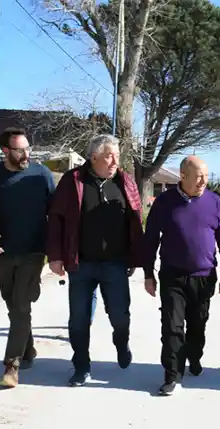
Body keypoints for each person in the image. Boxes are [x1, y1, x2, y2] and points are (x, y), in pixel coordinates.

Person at [46, 134, 143, 387]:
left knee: (120, 316)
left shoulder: (125, 181)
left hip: (116, 263)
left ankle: (121, 343)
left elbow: (136, 220)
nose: (115, 162)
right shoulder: (73, 181)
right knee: (78, 319)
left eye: (117, 156)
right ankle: (81, 366)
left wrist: (136, 254)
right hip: (82, 263)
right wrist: (55, 256)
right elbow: (55, 219)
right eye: (110, 156)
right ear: (94, 157)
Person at [142, 156, 220, 396]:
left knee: (197, 325)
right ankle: (172, 374)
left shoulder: (214, 203)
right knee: (172, 326)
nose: (204, 181)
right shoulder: (165, 202)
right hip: (173, 276)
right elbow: (150, 238)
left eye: (206, 175)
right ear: (183, 176)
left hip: (204, 276)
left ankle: (194, 357)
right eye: (199, 176)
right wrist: (148, 273)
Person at [0, 127, 56, 388]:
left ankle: (11, 366)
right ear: (5, 151)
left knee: (21, 304)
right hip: (4, 252)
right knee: (14, 305)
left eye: (27, 149)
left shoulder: (41, 175)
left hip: (34, 251)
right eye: (19, 150)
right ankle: (28, 349)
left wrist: (57, 251)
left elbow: (55, 214)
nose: (26, 154)